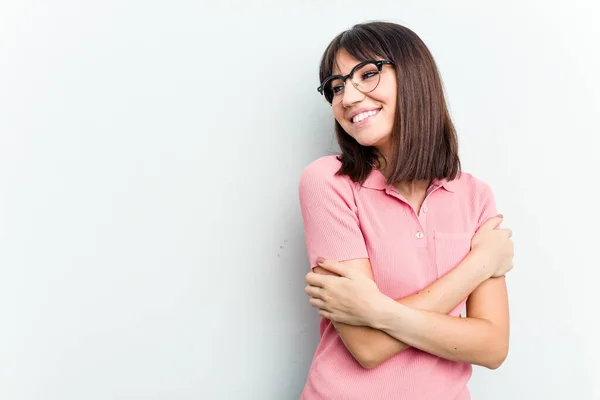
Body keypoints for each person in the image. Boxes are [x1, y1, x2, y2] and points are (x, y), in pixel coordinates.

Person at [297, 21, 514, 400]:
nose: (347, 97)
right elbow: (367, 347)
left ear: (415, 75)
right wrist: (479, 265)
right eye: (336, 86)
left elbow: (492, 347)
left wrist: (378, 312)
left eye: (366, 74)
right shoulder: (329, 181)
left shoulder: (474, 196)